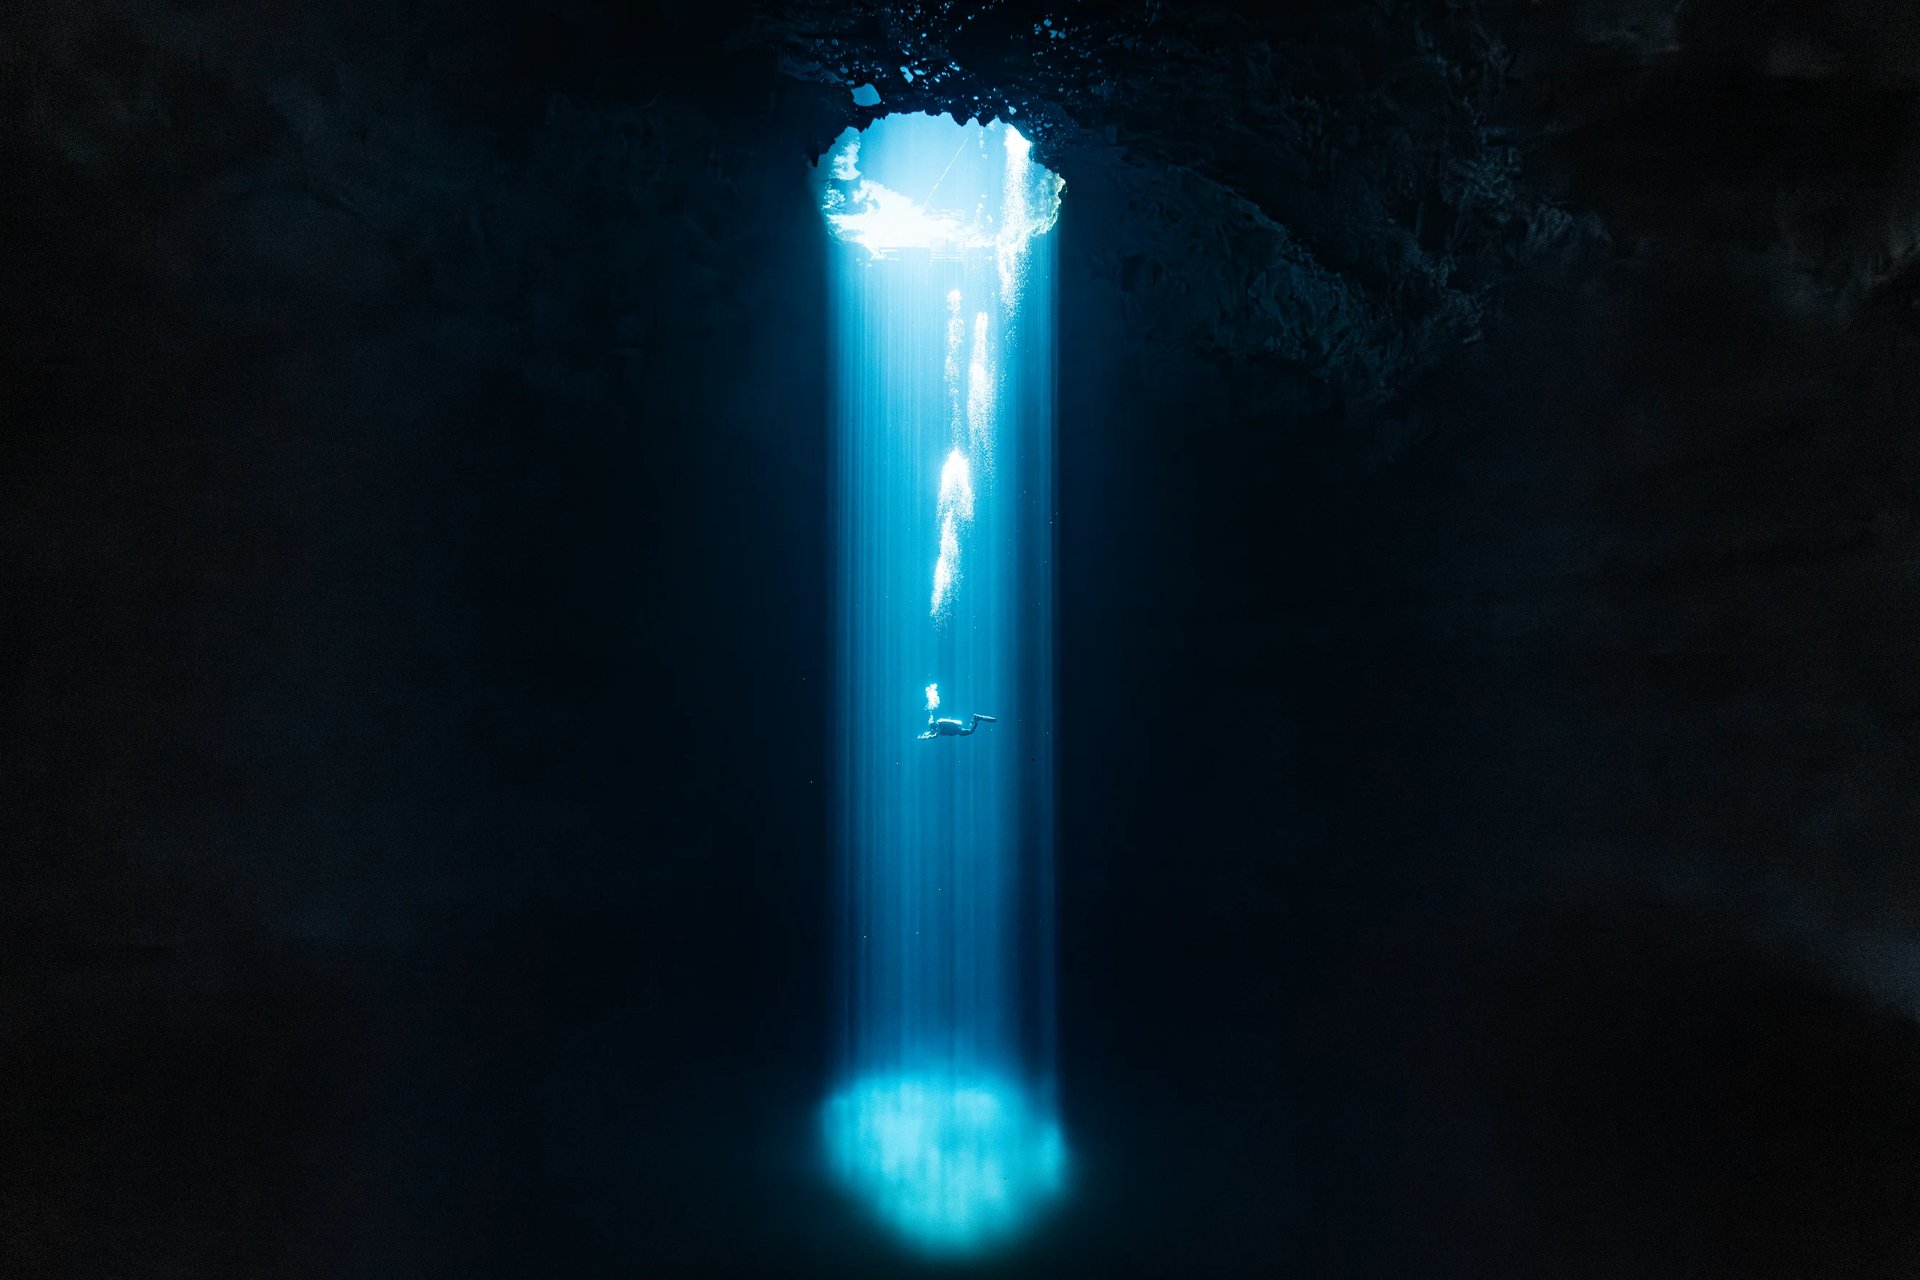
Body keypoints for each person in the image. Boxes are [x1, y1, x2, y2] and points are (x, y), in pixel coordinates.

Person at [917, 711, 998, 740]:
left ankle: (976, 719)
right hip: (956, 730)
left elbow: (934, 736)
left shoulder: (939, 729)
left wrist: (924, 737)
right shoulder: (938, 727)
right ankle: (975, 719)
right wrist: (925, 735)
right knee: (969, 731)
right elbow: (932, 734)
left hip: (956, 730)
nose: (931, 731)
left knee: (969, 731)